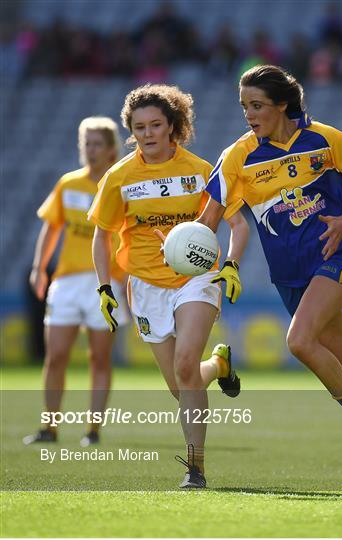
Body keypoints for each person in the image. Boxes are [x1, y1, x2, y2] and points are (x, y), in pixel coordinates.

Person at [197, 64, 342, 495]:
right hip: (289, 276)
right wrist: (182, 247)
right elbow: (208, 220)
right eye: (244, 105)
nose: (248, 113)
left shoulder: (326, 138)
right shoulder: (237, 157)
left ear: (282, 104)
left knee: (299, 341)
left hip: (335, 257)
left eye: (257, 105)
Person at [88, 84, 249, 489]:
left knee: (183, 365)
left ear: (174, 125)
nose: (147, 133)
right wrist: (104, 289)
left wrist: (229, 265)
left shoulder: (200, 170)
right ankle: (218, 366)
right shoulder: (119, 177)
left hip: (196, 277)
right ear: (131, 130)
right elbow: (102, 235)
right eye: (139, 127)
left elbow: (239, 225)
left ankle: (195, 468)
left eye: (156, 124)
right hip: (145, 286)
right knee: (181, 385)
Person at [24, 117, 129, 448]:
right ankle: (49, 426)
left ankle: (93, 430)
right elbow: (52, 226)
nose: (91, 150)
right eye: (87, 143)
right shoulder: (68, 184)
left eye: (98, 144)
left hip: (106, 281)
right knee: (55, 356)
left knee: (99, 358)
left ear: (112, 150)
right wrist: (39, 267)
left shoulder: (122, 184)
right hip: (66, 282)